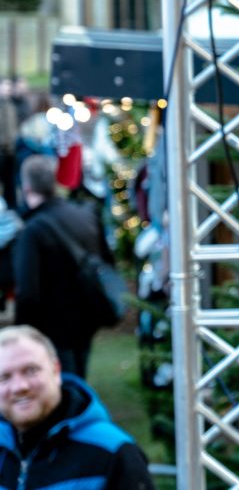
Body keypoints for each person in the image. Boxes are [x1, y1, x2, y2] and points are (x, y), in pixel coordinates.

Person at [0, 324, 155, 489]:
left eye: (31, 370)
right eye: (4, 377)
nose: (19, 387)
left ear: (56, 370)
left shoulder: (112, 452)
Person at [10, 154, 115, 377]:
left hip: (54, 327)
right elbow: (107, 261)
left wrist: (22, 335)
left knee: (63, 385)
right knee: (77, 379)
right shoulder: (85, 214)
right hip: (87, 317)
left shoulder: (32, 230)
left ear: (26, 187)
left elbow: (28, 293)